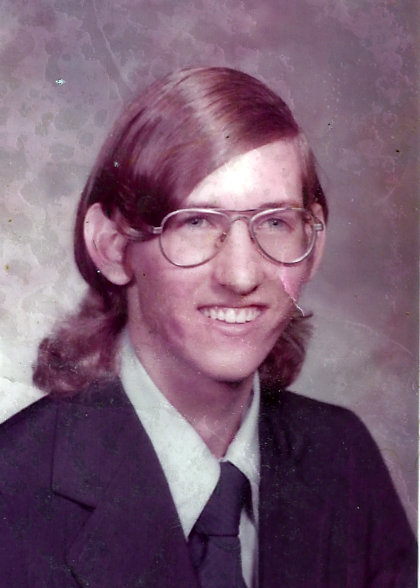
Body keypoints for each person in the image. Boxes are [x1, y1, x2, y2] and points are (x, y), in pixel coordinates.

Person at [0, 67, 416, 587]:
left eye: (275, 222)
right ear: (112, 246)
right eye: (195, 222)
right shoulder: (12, 490)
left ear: (313, 247)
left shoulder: (343, 457)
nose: (241, 276)